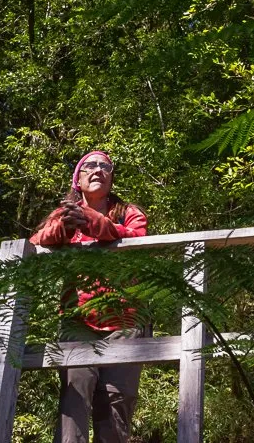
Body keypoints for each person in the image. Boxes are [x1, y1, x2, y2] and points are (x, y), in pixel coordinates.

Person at [29, 151, 148, 443]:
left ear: (111, 178)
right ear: (78, 179)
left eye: (105, 166)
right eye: (89, 166)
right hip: (78, 322)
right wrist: (64, 227)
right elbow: (33, 244)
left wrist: (95, 223)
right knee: (74, 397)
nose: (98, 170)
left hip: (125, 322)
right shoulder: (65, 213)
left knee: (116, 403)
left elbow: (139, 239)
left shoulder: (128, 212)